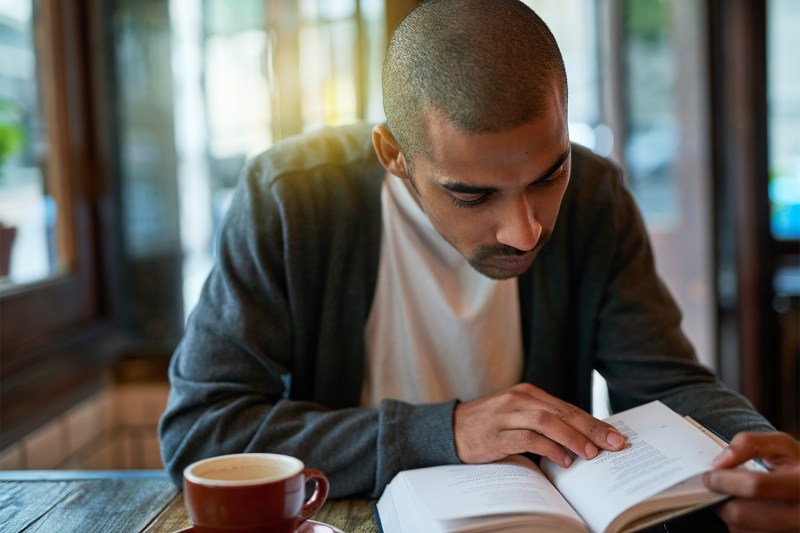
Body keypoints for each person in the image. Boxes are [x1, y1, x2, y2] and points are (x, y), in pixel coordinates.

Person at [159, 0, 800, 530]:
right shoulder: (291, 200)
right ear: (393, 154)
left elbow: (668, 386)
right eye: (473, 195)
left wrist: (757, 452)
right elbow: (203, 431)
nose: (525, 231)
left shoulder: (597, 195)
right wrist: (448, 431)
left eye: (550, 176)